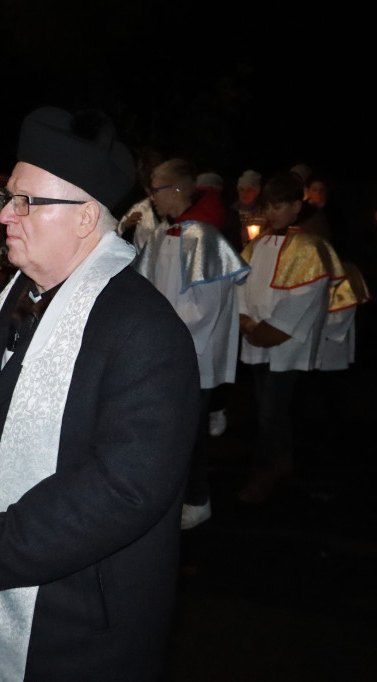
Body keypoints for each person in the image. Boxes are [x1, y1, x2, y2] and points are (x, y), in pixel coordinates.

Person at [0, 107, 201, 681]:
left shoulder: (144, 329)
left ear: (84, 218)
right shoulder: (8, 303)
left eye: (26, 201)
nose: (5, 214)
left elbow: (127, 487)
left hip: (76, 621)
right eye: (7, 195)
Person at [135, 158, 248, 528]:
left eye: (157, 189)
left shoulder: (204, 239)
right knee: (171, 426)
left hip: (191, 350)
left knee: (189, 428)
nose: (151, 197)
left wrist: (164, 335)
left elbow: (207, 307)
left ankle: (198, 499)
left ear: (179, 189)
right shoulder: (162, 236)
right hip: (164, 346)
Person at [236, 172, 346, 504]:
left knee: (272, 410)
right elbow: (240, 283)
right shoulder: (258, 245)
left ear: (297, 206)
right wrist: (244, 319)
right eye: (268, 206)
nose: (272, 213)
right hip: (255, 334)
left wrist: (269, 329)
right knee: (268, 409)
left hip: (285, 340)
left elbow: (306, 296)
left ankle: (263, 470)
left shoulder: (310, 247)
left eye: (279, 206)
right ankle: (282, 459)